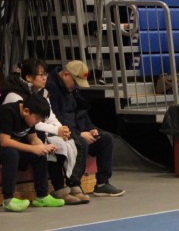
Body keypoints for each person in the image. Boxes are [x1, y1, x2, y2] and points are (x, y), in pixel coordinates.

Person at [1, 58, 89, 205]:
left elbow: (50, 117)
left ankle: (71, 184)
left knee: (65, 141)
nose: (45, 78)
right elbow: (31, 123)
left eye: (45, 74)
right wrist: (55, 130)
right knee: (47, 141)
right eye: (41, 74)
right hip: (15, 137)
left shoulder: (42, 92)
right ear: (29, 77)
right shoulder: (14, 96)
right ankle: (59, 189)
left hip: (29, 134)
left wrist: (61, 129)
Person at [0, 92, 65, 212]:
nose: (38, 122)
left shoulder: (30, 116)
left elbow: (33, 138)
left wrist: (43, 147)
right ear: (26, 111)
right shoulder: (8, 112)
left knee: (39, 153)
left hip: (1, 145)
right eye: (37, 118)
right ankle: (8, 199)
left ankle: (42, 196)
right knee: (11, 154)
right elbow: (5, 142)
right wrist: (33, 148)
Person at [46, 60, 125, 197]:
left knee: (106, 139)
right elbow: (56, 118)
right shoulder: (50, 88)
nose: (77, 86)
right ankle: (74, 184)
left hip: (78, 130)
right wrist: (79, 134)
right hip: (61, 131)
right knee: (81, 142)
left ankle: (102, 184)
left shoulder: (72, 89)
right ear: (66, 75)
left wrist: (90, 129)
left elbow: (82, 112)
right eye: (76, 82)